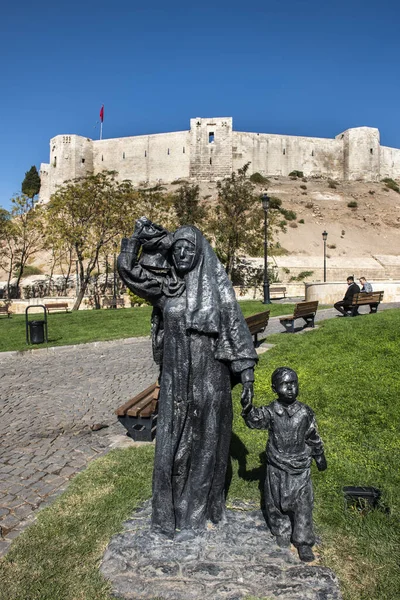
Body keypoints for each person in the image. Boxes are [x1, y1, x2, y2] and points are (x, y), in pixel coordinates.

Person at [117, 217, 258, 540]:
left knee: (208, 439)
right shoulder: (167, 287)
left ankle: (201, 507)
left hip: (211, 375)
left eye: (188, 249)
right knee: (174, 443)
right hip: (177, 375)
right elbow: (130, 272)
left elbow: (234, 327)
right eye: (177, 249)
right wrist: (135, 242)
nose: (181, 254)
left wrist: (246, 375)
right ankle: (170, 510)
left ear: (199, 253)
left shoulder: (217, 291)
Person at [241, 367, 327, 562]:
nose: (290, 388)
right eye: (284, 384)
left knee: (304, 504)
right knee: (275, 502)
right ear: (274, 388)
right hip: (277, 467)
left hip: (300, 467)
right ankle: (282, 530)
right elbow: (255, 420)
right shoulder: (271, 412)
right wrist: (247, 407)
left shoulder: (305, 412)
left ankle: (304, 542)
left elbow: (312, 435)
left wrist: (319, 454)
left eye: (293, 383)